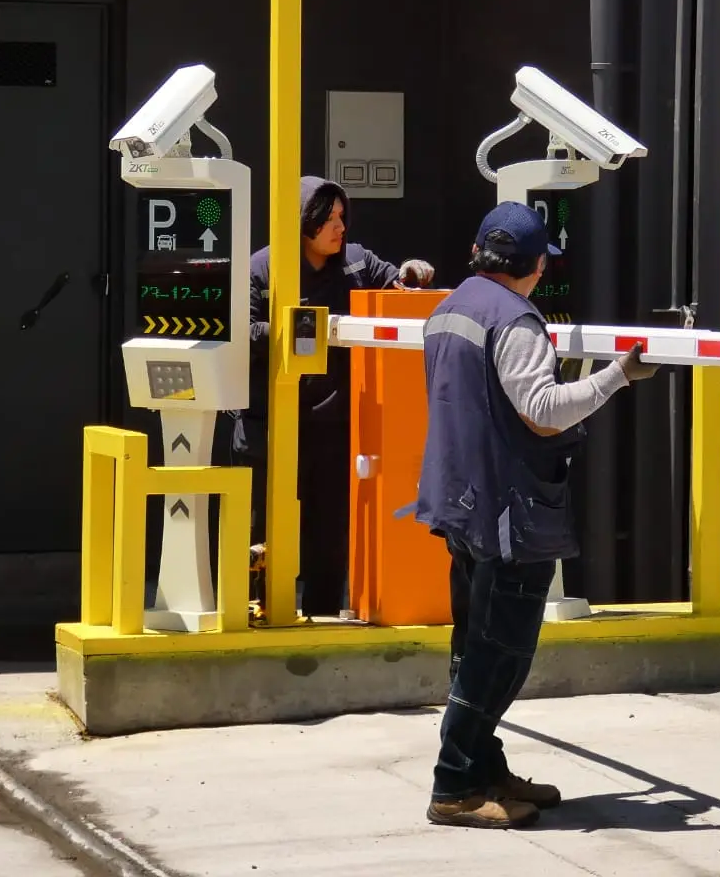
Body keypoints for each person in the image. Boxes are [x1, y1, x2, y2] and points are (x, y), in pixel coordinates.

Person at [414, 201, 658, 829]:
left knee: (474, 644)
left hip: (458, 500)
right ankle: (455, 786)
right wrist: (618, 376)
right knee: (501, 652)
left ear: (477, 252)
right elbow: (541, 409)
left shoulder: (448, 310)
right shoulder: (516, 321)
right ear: (539, 264)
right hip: (507, 510)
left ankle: (483, 766)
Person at [233, 175, 435, 618]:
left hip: (334, 425)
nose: (340, 227)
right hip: (272, 424)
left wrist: (410, 273)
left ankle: (323, 615)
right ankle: (265, 610)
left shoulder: (357, 263)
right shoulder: (262, 269)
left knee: (329, 533)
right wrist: (309, 330)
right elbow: (244, 332)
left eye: (343, 217)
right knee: (270, 528)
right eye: (329, 219)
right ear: (303, 222)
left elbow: (395, 285)